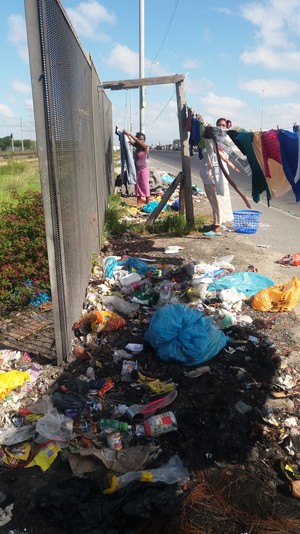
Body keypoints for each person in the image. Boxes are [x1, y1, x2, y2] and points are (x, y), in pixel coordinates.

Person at [199, 117, 233, 236]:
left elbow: (224, 155)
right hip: (208, 175)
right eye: (219, 124)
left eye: (223, 125)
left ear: (227, 127)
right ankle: (216, 224)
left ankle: (217, 228)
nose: (221, 127)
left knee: (219, 200)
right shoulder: (210, 139)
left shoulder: (226, 141)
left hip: (218, 174)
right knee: (213, 200)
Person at [123, 130, 150, 208]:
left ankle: (148, 203)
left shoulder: (145, 147)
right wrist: (126, 135)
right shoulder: (137, 147)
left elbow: (136, 141)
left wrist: (129, 134)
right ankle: (138, 203)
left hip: (144, 170)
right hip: (137, 170)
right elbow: (130, 141)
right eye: (140, 139)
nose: (141, 140)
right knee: (137, 187)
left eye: (142, 139)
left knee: (145, 186)